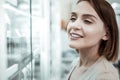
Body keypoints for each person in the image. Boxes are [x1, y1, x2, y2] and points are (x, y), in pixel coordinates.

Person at [66, 0, 119, 80]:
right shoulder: (76, 63)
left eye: (87, 21)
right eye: (73, 18)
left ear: (106, 34)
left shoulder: (105, 76)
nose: (74, 25)